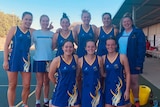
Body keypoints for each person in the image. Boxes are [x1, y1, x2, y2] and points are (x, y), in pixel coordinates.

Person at [3, 11, 34, 107]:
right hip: (13, 60)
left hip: (25, 61)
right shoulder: (14, 29)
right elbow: (6, 45)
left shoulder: (32, 32)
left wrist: (51, 29)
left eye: (30, 20)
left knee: (27, 85)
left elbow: (44, 34)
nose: (28, 21)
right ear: (22, 19)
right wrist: (5, 61)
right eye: (26, 19)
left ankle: (24, 104)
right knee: (12, 85)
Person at [117, 12, 146, 107]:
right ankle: (126, 100)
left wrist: (139, 63)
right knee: (123, 82)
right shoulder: (120, 34)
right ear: (122, 23)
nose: (126, 23)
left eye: (128, 21)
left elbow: (141, 49)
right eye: (124, 22)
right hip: (121, 62)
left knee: (133, 82)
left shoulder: (138, 32)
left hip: (133, 62)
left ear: (132, 22)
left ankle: (136, 101)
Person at [48, 40, 80, 107]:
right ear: (62, 48)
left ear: (73, 48)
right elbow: (50, 75)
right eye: (66, 47)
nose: (68, 49)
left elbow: (77, 73)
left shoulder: (76, 58)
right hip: (61, 90)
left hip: (73, 89)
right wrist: (56, 82)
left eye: (70, 47)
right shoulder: (57, 60)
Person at [32, 15, 54, 107]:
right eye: (43, 21)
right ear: (40, 22)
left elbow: (54, 46)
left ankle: (45, 100)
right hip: (38, 60)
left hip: (49, 60)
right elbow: (28, 44)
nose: (45, 23)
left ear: (48, 22)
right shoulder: (35, 33)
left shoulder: (52, 34)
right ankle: (37, 101)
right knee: (39, 83)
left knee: (47, 82)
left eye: (47, 21)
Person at [102, 37, 130, 107]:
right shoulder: (103, 58)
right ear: (106, 46)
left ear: (116, 45)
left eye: (112, 45)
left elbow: (128, 74)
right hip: (108, 89)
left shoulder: (122, 57)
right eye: (108, 45)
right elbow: (101, 73)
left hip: (120, 89)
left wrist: (127, 90)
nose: (110, 47)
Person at [77, 40, 104, 107]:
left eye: (92, 47)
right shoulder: (80, 60)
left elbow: (103, 74)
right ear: (85, 48)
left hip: (97, 89)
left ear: (95, 48)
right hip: (86, 89)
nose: (90, 48)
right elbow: (78, 77)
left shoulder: (99, 59)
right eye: (88, 47)